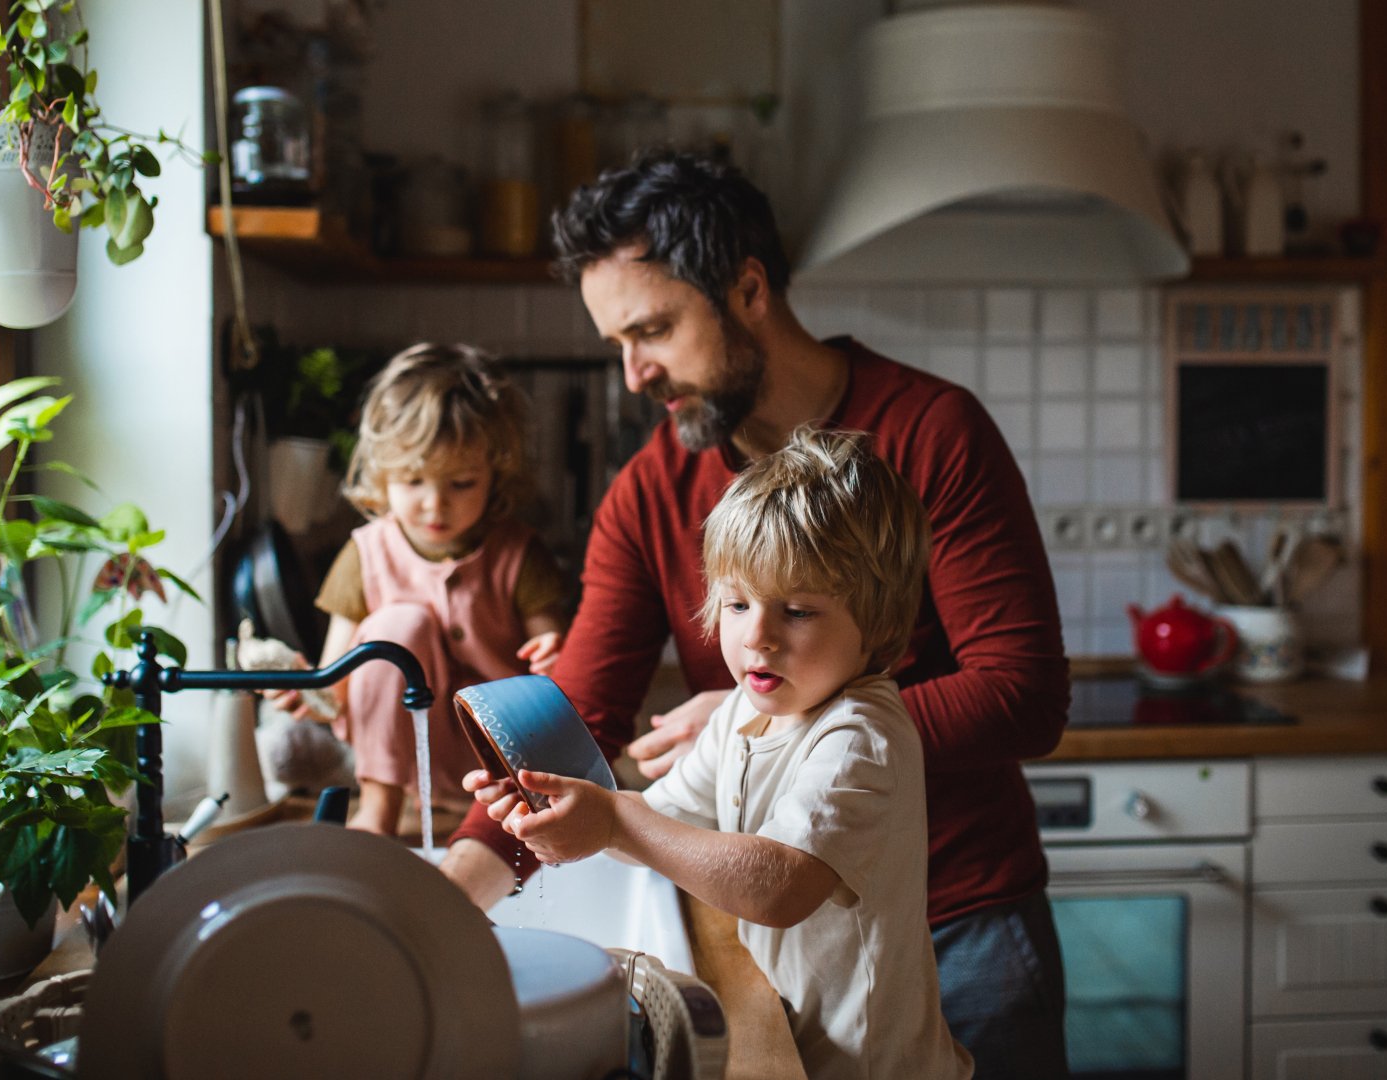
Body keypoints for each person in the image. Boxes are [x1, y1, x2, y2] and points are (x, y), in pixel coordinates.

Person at [443, 151, 1071, 1077]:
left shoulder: (933, 433)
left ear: (747, 290)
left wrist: (781, 724)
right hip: (781, 951)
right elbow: (572, 720)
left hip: (960, 924)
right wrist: (455, 892)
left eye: (652, 329)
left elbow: (1022, 692)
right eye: (617, 341)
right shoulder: (652, 487)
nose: (633, 375)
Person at [486, 427, 971, 1079]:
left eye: (797, 611)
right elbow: (663, 823)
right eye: (738, 603)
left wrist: (615, 820)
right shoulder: (743, 711)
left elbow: (779, 886)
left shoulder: (859, 736)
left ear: (879, 624)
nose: (757, 637)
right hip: (801, 1043)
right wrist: (562, 814)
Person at [297, 342, 571, 834]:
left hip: (502, 762)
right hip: (402, 763)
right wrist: (306, 689)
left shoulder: (518, 552)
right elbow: (333, 685)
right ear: (382, 476)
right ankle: (377, 810)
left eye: (461, 483)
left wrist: (555, 657)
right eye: (412, 481)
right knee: (396, 627)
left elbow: (558, 666)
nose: (434, 505)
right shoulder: (366, 553)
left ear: (496, 471)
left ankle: (497, 812)